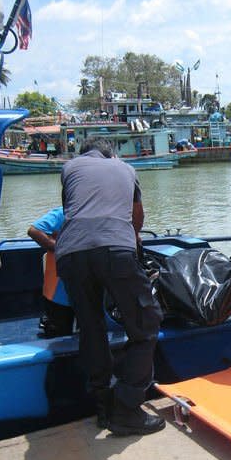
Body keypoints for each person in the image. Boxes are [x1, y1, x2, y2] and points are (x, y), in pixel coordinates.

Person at [56, 136, 165, 436]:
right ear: (111, 154)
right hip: (115, 249)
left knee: (91, 329)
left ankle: (103, 407)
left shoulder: (69, 168)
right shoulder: (126, 169)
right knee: (146, 325)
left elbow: (72, 211)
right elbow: (137, 219)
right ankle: (127, 408)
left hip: (69, 253)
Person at [27, 207, 74, 338]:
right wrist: (62, 248)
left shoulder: (100, 212)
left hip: (86, 285)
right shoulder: (63, 212)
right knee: (60, 333)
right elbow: (34, 230)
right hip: (59, 290)